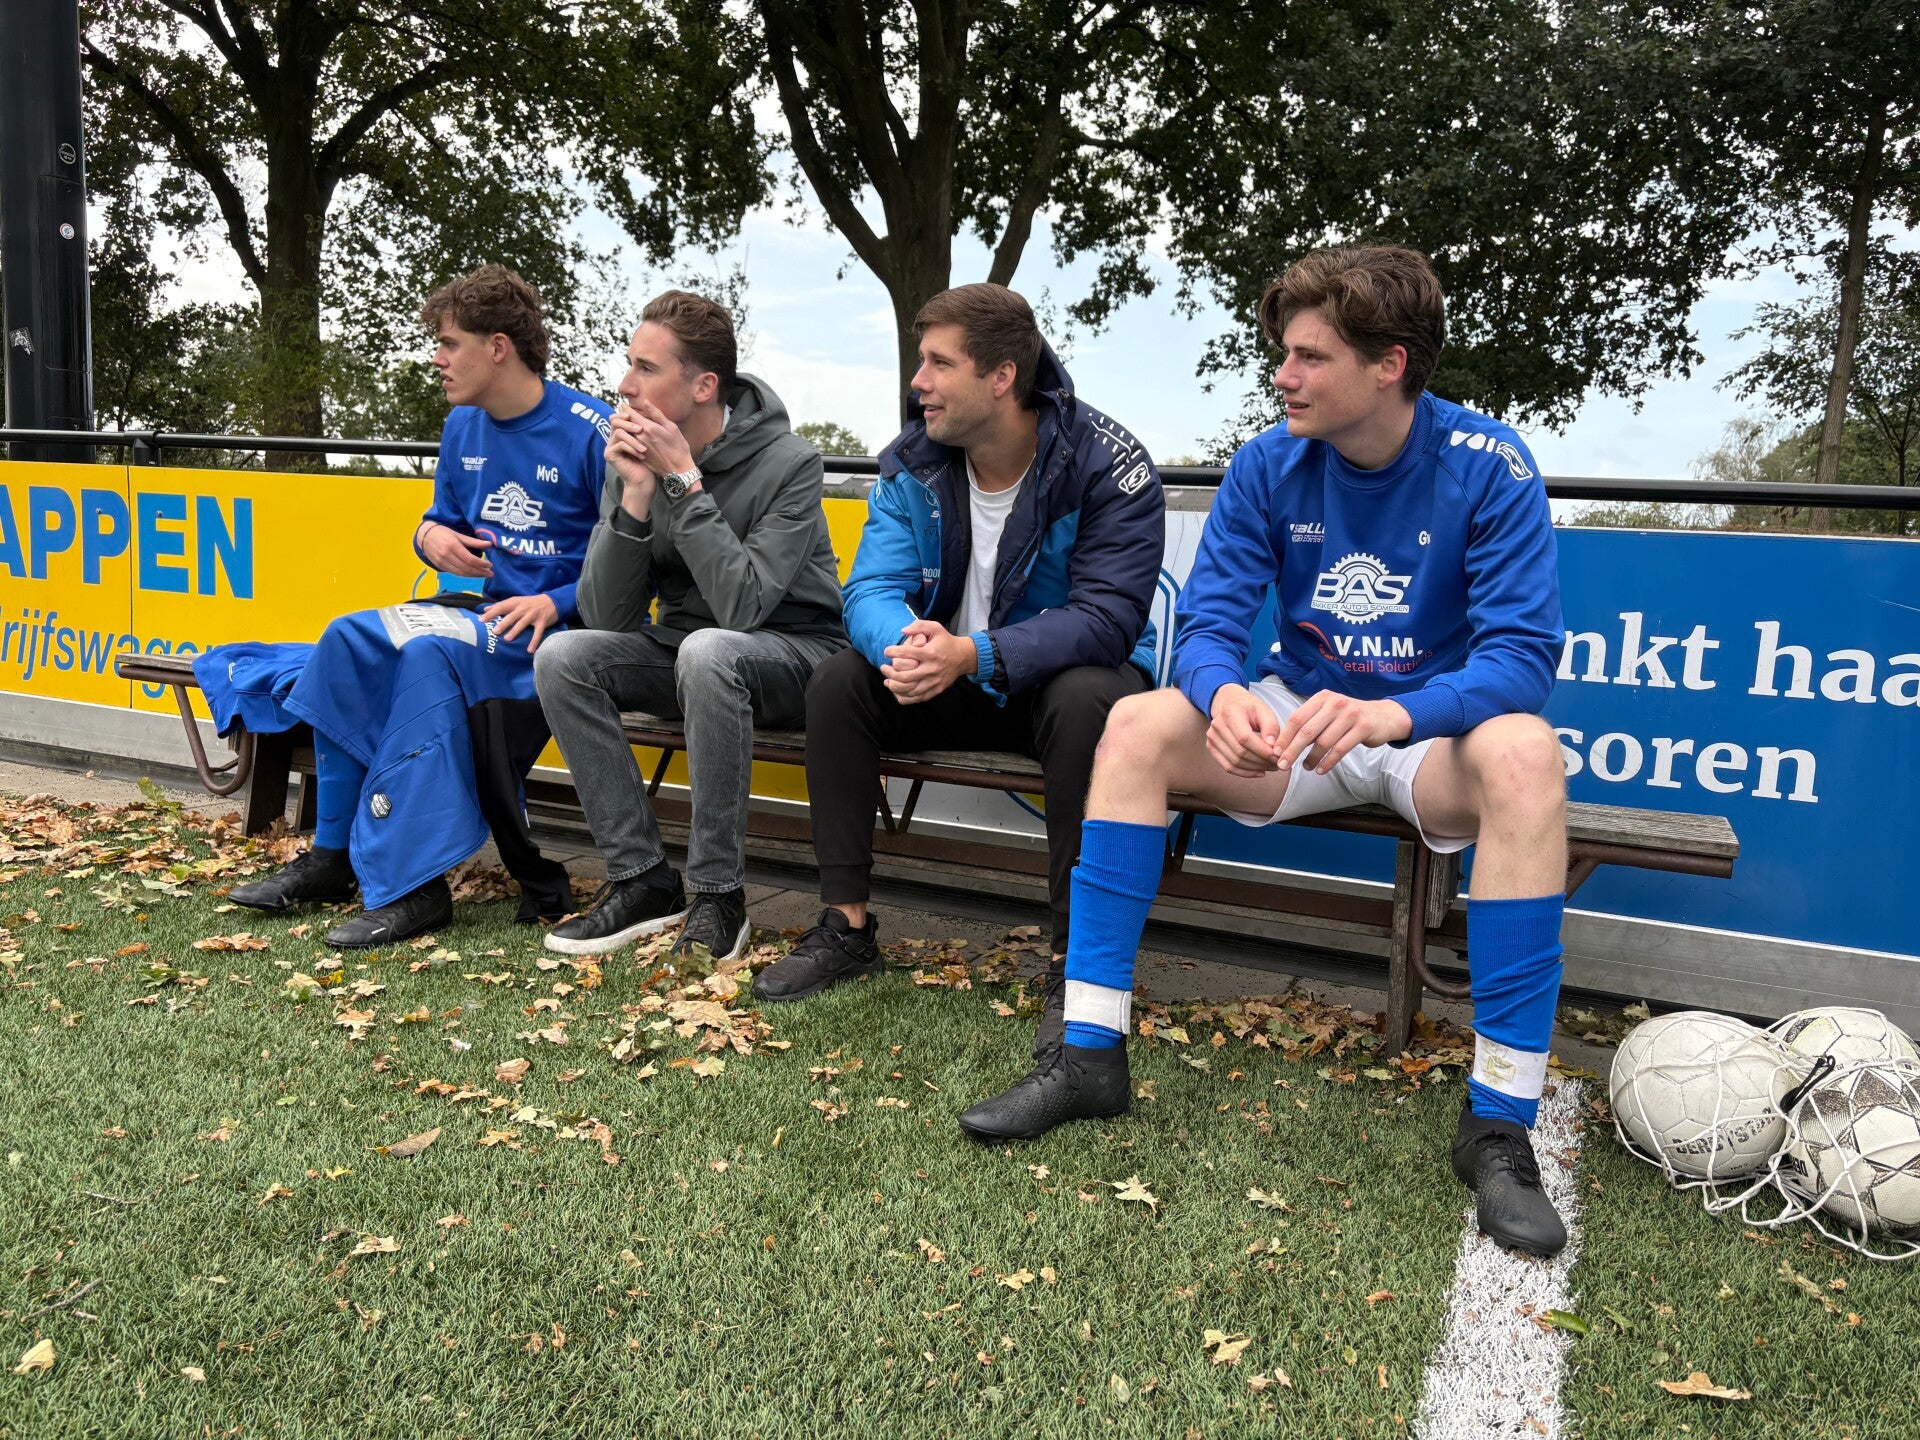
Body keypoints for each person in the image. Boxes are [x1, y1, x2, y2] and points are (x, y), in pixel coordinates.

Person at [957, 247, 1573, 1259]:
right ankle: (1088, 1051)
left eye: (1309, 356)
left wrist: (1396, 715)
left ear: (1390, 364)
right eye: (1283, 353)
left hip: (1425, 732)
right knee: (1137, 725)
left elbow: (1521, 658)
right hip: (1299, 720)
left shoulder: (1488, 463)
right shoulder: (1266, 462)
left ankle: (1499, 1125)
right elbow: (1206, 627)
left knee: (1527, 755)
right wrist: (1225, 693)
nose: (1282, 375)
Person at [751, 283, 1164, 1020]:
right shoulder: (913, 461)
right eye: (922, 362)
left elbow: (1108, 621)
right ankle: (845, 926)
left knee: (1088, 700)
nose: (919, 382)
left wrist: (974, 652)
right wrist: (911, 647)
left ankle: (1078, 964)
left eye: (939, 363)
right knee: (840, 682)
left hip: (1056, 685)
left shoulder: (1107, 464)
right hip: (948, 674)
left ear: (1002, 376)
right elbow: (870, 588)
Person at [209, 264, 610, 945]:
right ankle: (333, 857)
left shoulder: (590, 430)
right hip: (478, 616)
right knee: (345, 638)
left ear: (498, 347)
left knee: (425, 657)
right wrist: (429, 539)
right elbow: (438, 521)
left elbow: (635, 564)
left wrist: (555, 599)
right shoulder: (462, 425)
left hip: (554, 638)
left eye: (450, 343)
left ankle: (414, 887)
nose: (437, 358)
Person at [534, 291, 846, 963]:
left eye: (646, 368)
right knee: (564, 657)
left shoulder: (791, 463)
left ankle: (717, 896)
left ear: (703, 386)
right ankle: (643, 880)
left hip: (797, 654)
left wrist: (682, 481)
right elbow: (608, 617)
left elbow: (743, 608)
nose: (625, 385)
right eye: (629, 364)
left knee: (709, 653)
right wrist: (635, 496)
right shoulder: (634, 455)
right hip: (686, 651)